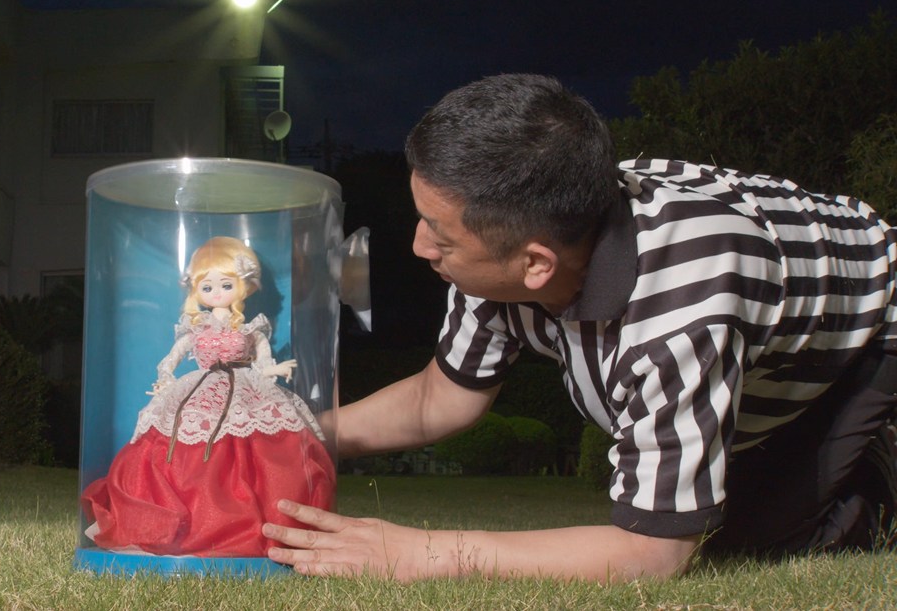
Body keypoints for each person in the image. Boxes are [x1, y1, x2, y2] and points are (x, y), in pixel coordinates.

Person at [262, 74, 897, 581]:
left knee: (745, 539)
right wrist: (299, 433)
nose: (419, 246)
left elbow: (653, 555)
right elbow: (439, 399)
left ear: (535, 264)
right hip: (759, 328)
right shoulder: (521, 240)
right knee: (723, 509)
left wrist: (420, 553)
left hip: (872, 323)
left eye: (442, 237)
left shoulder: (680, 310)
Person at [81, 236, 335, 557]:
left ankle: (242, 510)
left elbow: (263, 364)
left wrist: (275, 369)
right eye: (207, 286)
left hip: (244, 387)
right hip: (200, 387)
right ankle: (193, 513)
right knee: (185, 444)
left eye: (226, 285)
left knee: (250, 444)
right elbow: (170, 360)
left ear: (245, 286)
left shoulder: (251, 329)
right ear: (196, 289)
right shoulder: (196, 328)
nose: (216, 293)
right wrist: (164, 382)